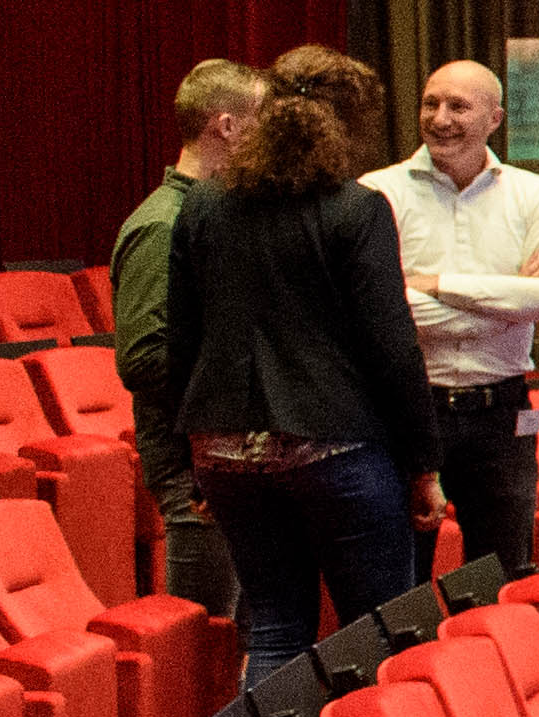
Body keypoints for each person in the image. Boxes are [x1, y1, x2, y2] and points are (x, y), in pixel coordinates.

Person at [164, 47, 445, 681]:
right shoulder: (357, 209)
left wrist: (190, 462)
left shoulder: (203, 206)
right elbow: (392, 347)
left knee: (273, 628)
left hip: (224, 450)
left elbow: (181, 342)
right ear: (345, 129)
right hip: (335, 443)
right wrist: (424, 465)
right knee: (375, 633)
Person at [367, 59, 539, 578]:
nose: (440, 118)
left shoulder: (535, 195)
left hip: (502, 414)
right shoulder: (377, 193)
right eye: (430, 103)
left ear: (495, 118)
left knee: (502, 580)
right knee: (404, 589)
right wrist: (510, 303)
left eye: (458, 106)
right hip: (408, 411)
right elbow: (378, 312)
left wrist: (435, 284)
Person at [112, 57, 267, 617]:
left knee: (241, 635)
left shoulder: (216, 215)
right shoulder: (163, 224)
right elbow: (142, 359)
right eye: (263, 118)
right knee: (203, 637)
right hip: (192, 465)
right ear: (227, 126)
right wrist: (243, 367)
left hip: (229, 456)